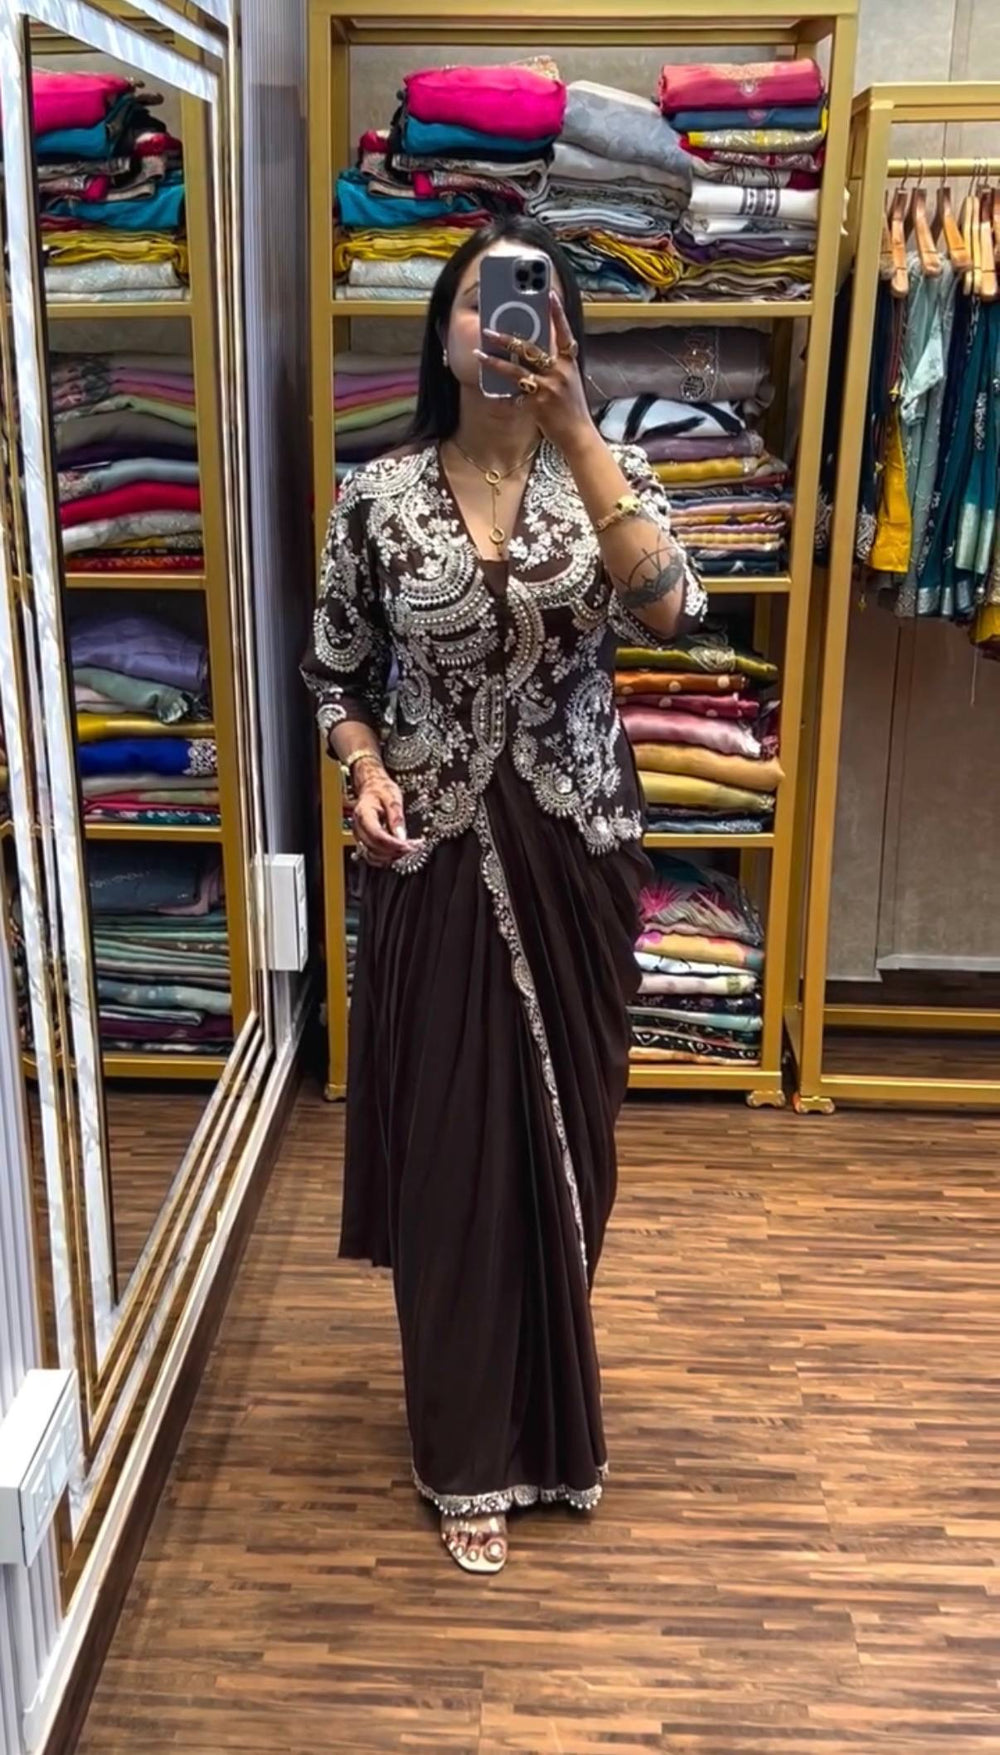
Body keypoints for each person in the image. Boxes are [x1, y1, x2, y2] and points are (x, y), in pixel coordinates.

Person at [302, 215, 706, 1575]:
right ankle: (470, 1449)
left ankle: (545, 1412)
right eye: (478, 301)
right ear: (442, 334)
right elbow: (332, 674)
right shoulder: (377, 496)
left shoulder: (615, 474)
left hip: (577, 853)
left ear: (565, 332)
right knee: (455, 1160)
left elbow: (673, 609)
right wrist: (364, 770)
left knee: (569, 1147)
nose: (504, 324)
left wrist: (580, 430)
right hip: (433, 859)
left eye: (530, 303)